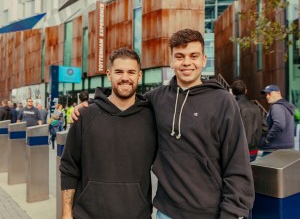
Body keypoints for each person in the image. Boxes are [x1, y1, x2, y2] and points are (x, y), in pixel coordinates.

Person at [72, 29, 254, 218]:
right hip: (165, 212)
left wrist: (232, 213)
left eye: (194, 56)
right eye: (179, 56)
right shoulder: (157, 98)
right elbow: (123, 100)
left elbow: (237, 163)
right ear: (171, 60)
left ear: (204, 59)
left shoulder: (223, 101)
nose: (186, 63)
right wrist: (91, 105)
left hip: (210, 213)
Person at [60, 48, 157, 219]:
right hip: (87, 215)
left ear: (139, 76)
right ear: (109, 74)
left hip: (137, 215)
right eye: (119, 72)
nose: (125, 78)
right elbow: (69, 167)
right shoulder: (84, 115)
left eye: (131, 72)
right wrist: (66, 214)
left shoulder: (153, 117)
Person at [231, 79, 264, 162]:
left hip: (238, 149)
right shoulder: (256, 107)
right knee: (252, 173)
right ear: (246, 91)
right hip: (253, 149)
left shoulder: (233, 107)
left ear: (232, 92)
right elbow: (265, 128)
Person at [260, 85, 295, 154]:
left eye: (269, 93)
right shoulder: (286, 106)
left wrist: (267, 139)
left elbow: (279, 125)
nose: (267, 96)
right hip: (285, 148)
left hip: (274, 150)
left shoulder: (277, 107)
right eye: (266, 94)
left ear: (278, 93)